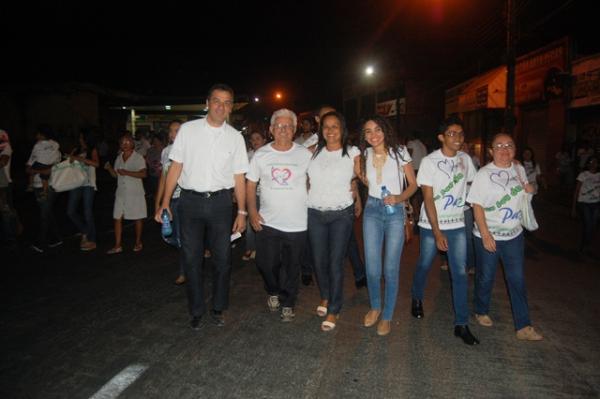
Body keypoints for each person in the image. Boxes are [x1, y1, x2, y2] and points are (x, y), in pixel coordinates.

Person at [155, 84, 248, 330]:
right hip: (190, 202)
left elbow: (239, 177)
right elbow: (175, 167)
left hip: (220, 203)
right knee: (191, 258)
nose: (222, 106)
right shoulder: (188, 130)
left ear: (231, 107)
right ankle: (196, 309)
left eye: (227, 102)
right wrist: (165, 202)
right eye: (217, 101)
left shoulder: (235, 137)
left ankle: (218, 307)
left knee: (223, 259)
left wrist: (242, 211)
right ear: (207, 102)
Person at [410, 116, 479, 345]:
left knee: (459, 273)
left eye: (460, 133)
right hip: (432, 225)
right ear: (441, 137)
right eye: (452, 133)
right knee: (424, 263)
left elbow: (473, 184)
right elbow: (428, 199)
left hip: (457, 224)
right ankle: (417, 297)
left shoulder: (465, 159)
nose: (457, 137)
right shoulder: (430, 162)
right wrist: (438, 232)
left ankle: (461, 323)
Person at [467, 133, 543, 341]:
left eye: (509, 145)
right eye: (499, 145)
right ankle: (481, 310)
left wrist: (532, 189)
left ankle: (523, 326)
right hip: (488, 234)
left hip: (514, 235)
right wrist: (485, 234)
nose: (504, 149)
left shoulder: (519, 169)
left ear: (514, 149)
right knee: (486, 276)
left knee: (516, 279)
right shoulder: (483, 174)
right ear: (491, 151)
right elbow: (477, 205)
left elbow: (529, 191)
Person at [246, 108, 311, 323]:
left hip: (297, 223)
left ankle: (288, 302)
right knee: (266, 264)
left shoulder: (304, 154)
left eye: (288, 126)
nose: (284, 130)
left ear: (294, 130)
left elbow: (319, 178)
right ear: (271, 129)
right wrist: (252, 212)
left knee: (292, 267)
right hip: (268, 221)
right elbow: (250, 184)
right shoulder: (261, 154)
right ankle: (273, 290)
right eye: (279, 126)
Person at [358, 115, 417, 336]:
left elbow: (413, 184)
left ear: (386, 130)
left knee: (390, 268)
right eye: (368, 131)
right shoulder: (364, 154)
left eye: (377, 129)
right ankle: (375, 307)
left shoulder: (399, 151)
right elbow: (362, 178)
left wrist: (399, 197)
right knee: (372, 267)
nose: (373, 135)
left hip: (395, 211)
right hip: (372, 210)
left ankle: (387, 316)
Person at [307, 111, 361, 332]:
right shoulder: (312, 152)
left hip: (341, 214)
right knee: (319, 261)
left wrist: (357, 183)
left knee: (335, 262)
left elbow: (364, 175)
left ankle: (334, 309)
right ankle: (326, 296)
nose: (330, 130)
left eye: (335, 126)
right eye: (326, 126)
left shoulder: (352, 152)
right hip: (315, 213)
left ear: (342, 128)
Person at [105, 133, 147, 254]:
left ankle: (138, 241)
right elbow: (116, 175)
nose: (125, 144)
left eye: (127, 142)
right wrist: (109, 169)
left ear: (132, 143)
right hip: (121, 192)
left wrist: (127, 172)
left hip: (135, 193)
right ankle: (118, 245)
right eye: (122, 142)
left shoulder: (138, 157)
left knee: (137, 217)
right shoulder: (119, 157)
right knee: (117, 217)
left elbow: (143, 174)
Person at [154, 120, 185, 284]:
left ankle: (184, 271)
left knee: (180, 236)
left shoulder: (189, 150)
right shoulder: (166, 151)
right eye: (171, 131)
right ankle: (195, 247)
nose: (174, 134)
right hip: (169, 200)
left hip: (185, 199)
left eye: (177, 130)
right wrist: (158, 201)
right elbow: (164, 178)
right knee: (167, 235)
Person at [26, 127, 62, 253]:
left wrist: (36, 170)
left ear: (41, 135)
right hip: (46, 184)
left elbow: (29, 167)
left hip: (47, 185)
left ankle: (41, 243)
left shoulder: (39, 146)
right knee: (47, 212)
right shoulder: (54, 146)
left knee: (44, 215)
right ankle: (56, 238)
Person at [67, 130, 100, 251]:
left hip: (88, 183)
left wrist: (78, 159)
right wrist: (70, 158)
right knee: (70, 211)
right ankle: (85, 230)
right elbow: (69, 164)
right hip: (75, 183)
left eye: (82, 137)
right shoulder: (76, 150)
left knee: (87, 212)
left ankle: (92, 240)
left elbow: (96, 164)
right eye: (79, 137)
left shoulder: (92, 150)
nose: (80, 139)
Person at [242, 130, 267, 261]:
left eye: (258, 138)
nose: (255, 141)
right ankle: (250, 247)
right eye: (252, 139)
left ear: (264, 140)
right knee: (251, 221)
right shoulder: (248, 155)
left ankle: (261, 248)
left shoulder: (269, 153)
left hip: (267, 195)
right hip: (252, 194)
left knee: (265, 222)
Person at [572, 156, 600, 255]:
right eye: (591, 162)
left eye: (596, 162)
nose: (593, 164)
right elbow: (577, 190)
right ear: (588, 164)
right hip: (584, 203)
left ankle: (587, 244)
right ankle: (584, 246)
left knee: (593, 225)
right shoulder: (583, 174)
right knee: (588, 224)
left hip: (596, 203)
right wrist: (574, 207)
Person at [27, 125, 61, 199]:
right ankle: (45, 192)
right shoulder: (55, 144)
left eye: (37, 134)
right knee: (44, 178)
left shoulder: (37, 145)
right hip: (49, 167)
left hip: (39, 165)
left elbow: (32, 158)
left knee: (31, 172)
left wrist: (29, 165)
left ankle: (30, 185)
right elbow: (57, 156)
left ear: (41, 135)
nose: (36, 136)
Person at [0, 129, 18, 252]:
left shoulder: (6, 147)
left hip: (3, 184)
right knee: (7, 210)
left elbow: (3, 161)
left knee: (6, 211)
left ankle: (11, 238)